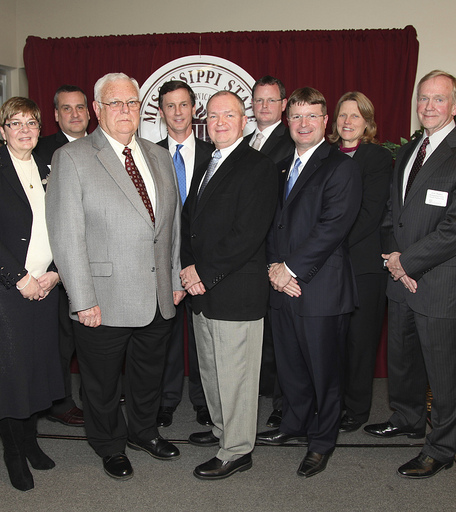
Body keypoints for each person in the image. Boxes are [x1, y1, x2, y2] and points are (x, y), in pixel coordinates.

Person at [45, 73, 184, 481]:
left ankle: (143, 432)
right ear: (97, 109)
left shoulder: (158, 156)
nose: (126, 111)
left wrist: (175, 278)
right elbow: (65, 234)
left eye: (133, 103)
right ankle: (108, 444)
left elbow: (170, 226)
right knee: (101, 383)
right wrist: (82, 299)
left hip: (158, 294)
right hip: (102, 298)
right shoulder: (72, 158)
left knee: (147, 376)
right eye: (116, 103)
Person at [364, 70, 456, 478]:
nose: (428, 106)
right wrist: (394, 261)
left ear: (455, 105)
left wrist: (408, 262)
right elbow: (392, 214)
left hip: (440, 282)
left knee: (444, 373)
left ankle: (439, 448)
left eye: (438, 99)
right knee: (402, 361)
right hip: (401, 278)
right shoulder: (408, 151)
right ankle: (406, 419)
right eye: (422, 99)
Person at [0, 97, 64, 491]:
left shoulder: (50, 168)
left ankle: (31, 443)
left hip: (44, 287)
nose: (24, 130)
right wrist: (20, 279)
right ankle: (14, 453)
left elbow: (64, 227)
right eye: (15, 123)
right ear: (2, 130)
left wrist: (54, 274)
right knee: (7, 375)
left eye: (32, 123)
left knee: (35, 370)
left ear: (40, 129)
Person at [258, 87, 361, 478]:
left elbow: (332, 227)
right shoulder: (281, 166)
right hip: (282, 287)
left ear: (325, 122)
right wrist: (273, 268)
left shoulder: (340, 167)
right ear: (288, 121)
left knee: (325, 373)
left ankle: (322, 441)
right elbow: (271, 223)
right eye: (297, 117)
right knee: (291, 368)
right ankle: (293, 425)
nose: (303, 124)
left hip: (320, 290)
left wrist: (290, 270)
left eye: (312, 116)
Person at [181, 91, 278, 480]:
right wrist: (187, 267)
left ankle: (238, 450)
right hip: (203, 291)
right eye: (214, 116)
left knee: (236, 376)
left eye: (229, 115)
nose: (220, 122)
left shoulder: (259, 167)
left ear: (244, 121)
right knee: (212, 371)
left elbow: (247, 235)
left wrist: (201, 272)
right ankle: (223, 430)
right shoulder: (208, 162)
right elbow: (190, 222)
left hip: (235, 291)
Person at [328, 92, 392, 433]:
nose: (348, 122)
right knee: (331, 339)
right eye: (343, 115)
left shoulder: (377, 159)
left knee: (359, 340)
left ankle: (356, 408)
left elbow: (369, 215)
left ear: (367, 122)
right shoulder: (325, 156)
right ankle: (330, 404)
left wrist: (326, 245)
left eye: (355, 116)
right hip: (327, 267)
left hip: (363, 265)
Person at [156, 80, 214, 429]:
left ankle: (205, 401)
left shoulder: (214, 153)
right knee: (164, 334)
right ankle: (165, 400)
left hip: (203, 261)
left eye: (183, 105)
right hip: (161, 259)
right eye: (170, 106)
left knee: (203, 335)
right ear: (161, 112)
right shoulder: (148, 153)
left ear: (194, 109)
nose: (177, 112)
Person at [34, 84, 90, 427]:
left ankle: (97, 395)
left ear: (90, 111)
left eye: (80, 107)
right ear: (55, 115)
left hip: (97, 261)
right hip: (55, 263)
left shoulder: (104, 147)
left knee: (94, 336)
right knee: (60, 340)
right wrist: (54, 267)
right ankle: (59, 401)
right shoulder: (39, 152)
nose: (74, 114)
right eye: (66, 108)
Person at [244, 76, 294, 428]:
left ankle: (281, 405)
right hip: (247, 253)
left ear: (284, 103)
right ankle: (252, 395)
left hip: (277, 250)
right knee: (254, 331)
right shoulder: (244, 141)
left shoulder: (292, 141)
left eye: (270, 100)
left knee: (280, 335)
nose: (264, 106)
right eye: (258, 100)